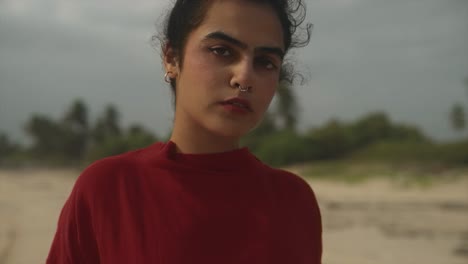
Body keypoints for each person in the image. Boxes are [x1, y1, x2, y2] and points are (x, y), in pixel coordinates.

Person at [47, 0, 322, 263]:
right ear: (171, 58)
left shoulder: (293, 201)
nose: (244, 77)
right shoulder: (109, 189)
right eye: (222, 50)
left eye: (265, 62)